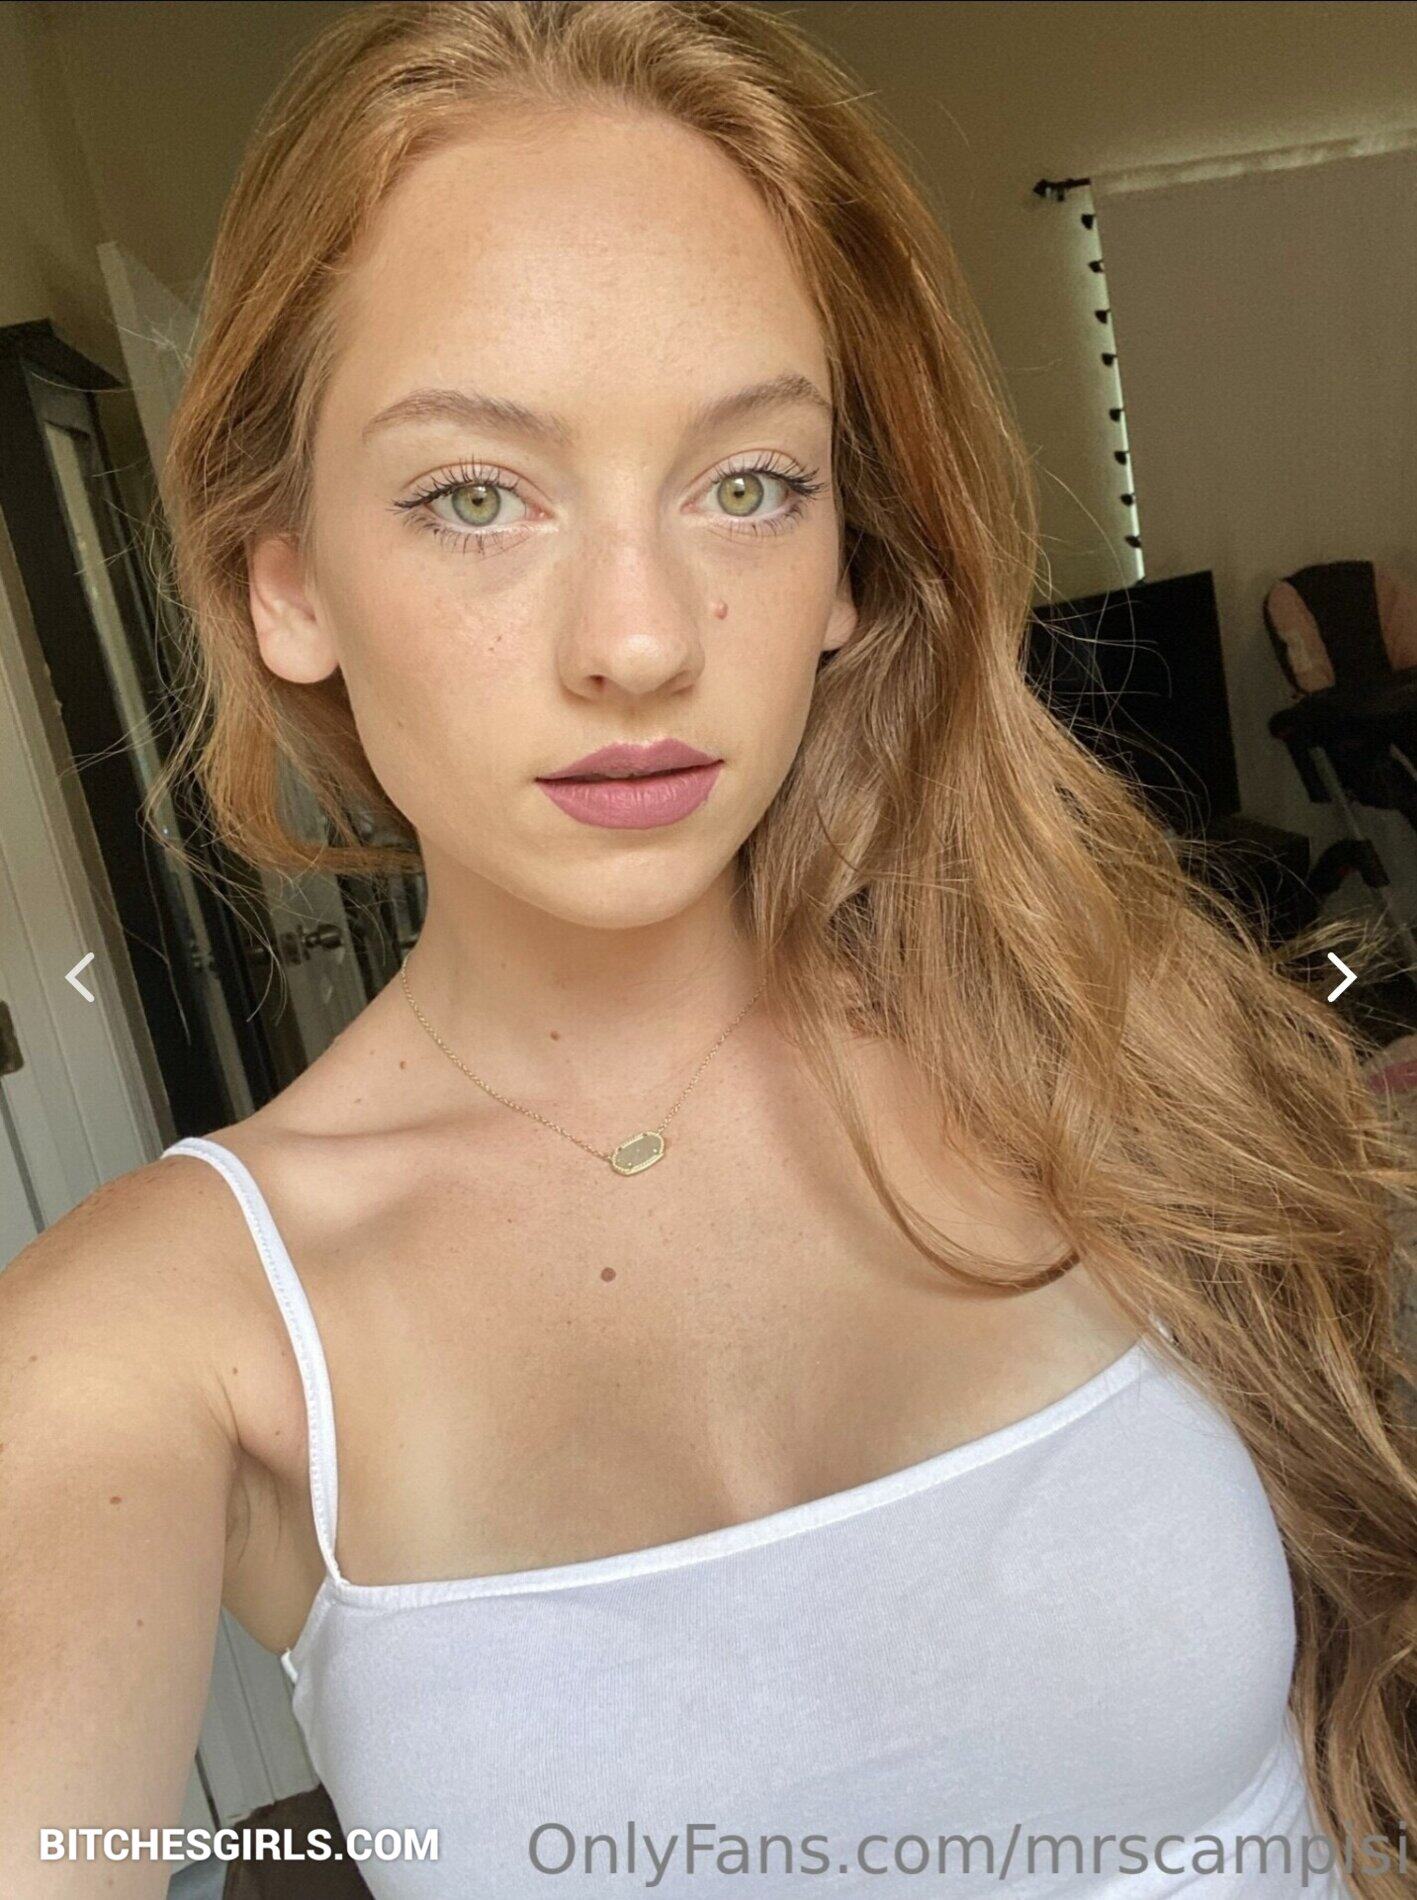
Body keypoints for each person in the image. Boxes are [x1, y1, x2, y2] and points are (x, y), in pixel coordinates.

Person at [2, 4, 1413, 1896]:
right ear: (289, 583)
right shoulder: (162, 1335)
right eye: (474, 496)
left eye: (747, 482)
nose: (641, 641)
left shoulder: (1102, 1043)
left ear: (843, 564)